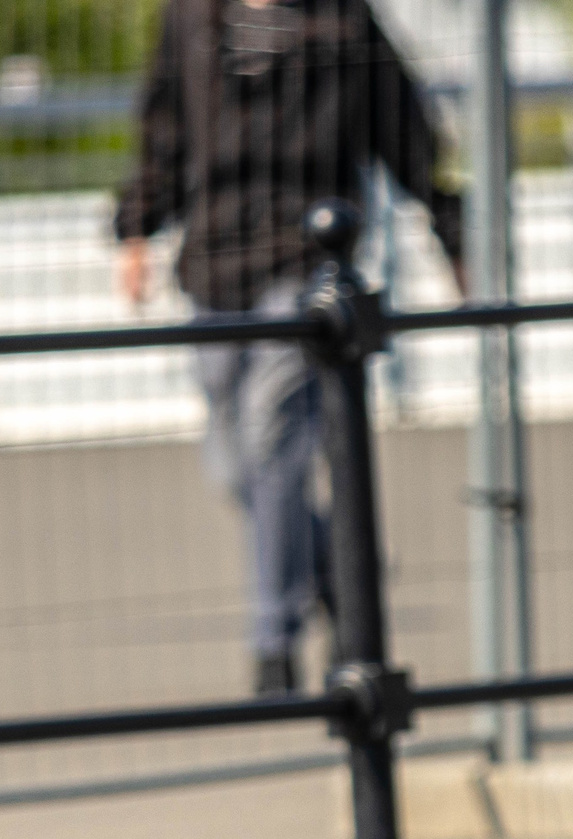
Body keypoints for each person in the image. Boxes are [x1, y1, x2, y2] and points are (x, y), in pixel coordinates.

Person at [116, 0, 466, 695]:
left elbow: (403, 129)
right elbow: (161, 125)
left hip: (305, 263)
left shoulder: (342, 18)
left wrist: (448, 230)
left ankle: (273, 642)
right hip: (213, 262)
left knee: (275, 446)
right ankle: (341, 569)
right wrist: (137, 230)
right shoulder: (190, 16)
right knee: (230, 460)